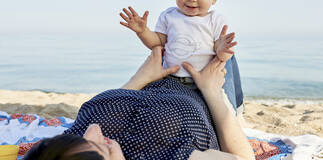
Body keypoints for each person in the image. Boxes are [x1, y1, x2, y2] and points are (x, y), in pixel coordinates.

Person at [24, 47, 255, 160]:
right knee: (223, 53)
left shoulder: (61, 154)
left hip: (151, 78)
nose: (93, 130)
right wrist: (212, 90)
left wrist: (141, 78)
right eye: (100, 146)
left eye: (77, 136)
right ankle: (239, 113)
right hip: (204, 93)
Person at [119, 0, 243, 113]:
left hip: (203, 82)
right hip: (170, 79)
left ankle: (237, 111)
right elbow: (157, 43)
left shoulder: (215, 20)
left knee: (222, 108)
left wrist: (223, 50)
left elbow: (220, 53)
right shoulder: (169, 16)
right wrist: (143, 31)